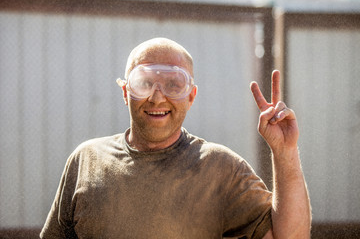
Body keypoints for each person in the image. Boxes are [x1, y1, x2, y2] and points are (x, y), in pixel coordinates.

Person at [40, 37, 311, 238]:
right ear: (125, 92)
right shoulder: (86, 160)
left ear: (191, 96)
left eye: (174, 84)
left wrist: (285, 152)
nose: (158, 97)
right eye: (144, 83)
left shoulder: (220, 168)